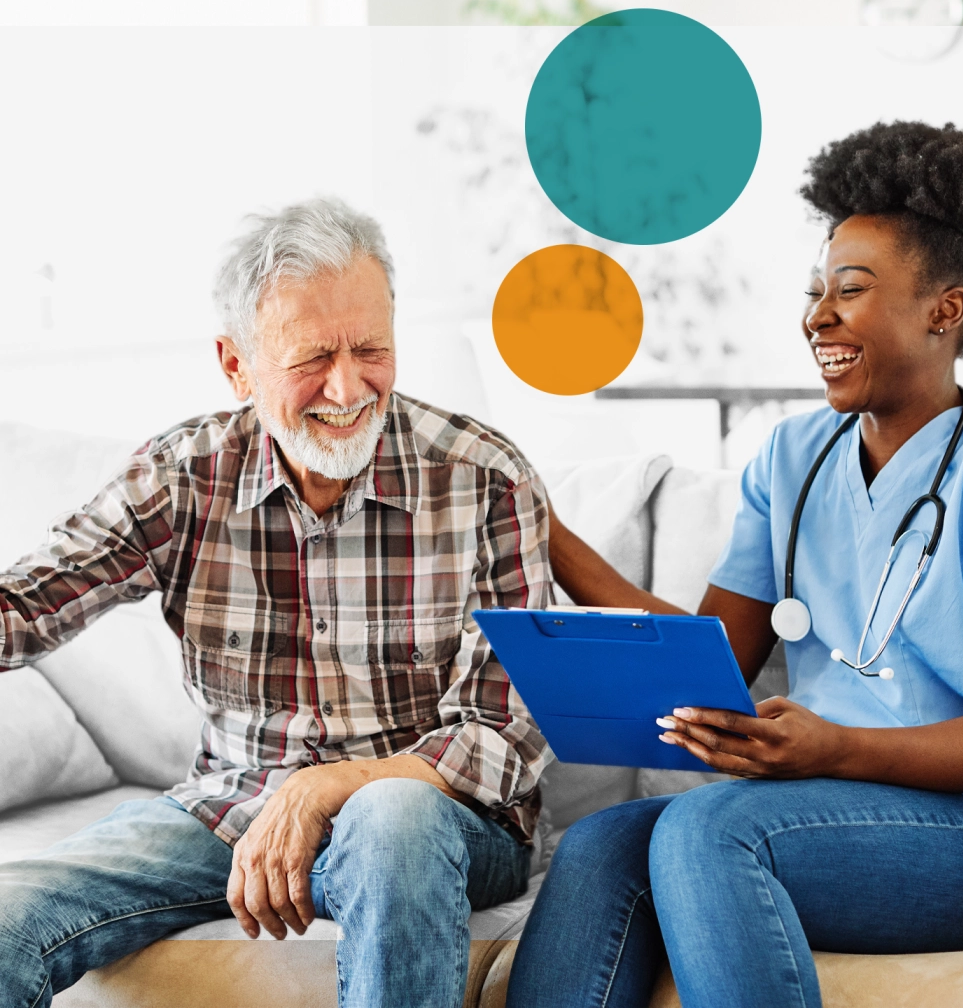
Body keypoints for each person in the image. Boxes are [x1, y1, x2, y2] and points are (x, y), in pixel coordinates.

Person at [507, 121, 963, 1008]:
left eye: (851, 290)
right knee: (606, 844)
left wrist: (838, 745)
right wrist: (545, 529)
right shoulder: (793, 457)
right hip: (822, 810)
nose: (817, 316)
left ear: (944, 311)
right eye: (813, 292)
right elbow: (708, 656)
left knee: (706, 831)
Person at [0, 198, 553, 1008]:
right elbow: (29, 602)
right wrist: (287, 794)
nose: (348, 385)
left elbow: (507, 733)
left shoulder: (484, 478)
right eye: (312, 357)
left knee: (390, 818)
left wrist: (329, 787)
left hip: (440, 818)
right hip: (237, 803)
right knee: (8, 919)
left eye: (371, 349)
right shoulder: (184, 474)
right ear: (236, 365)